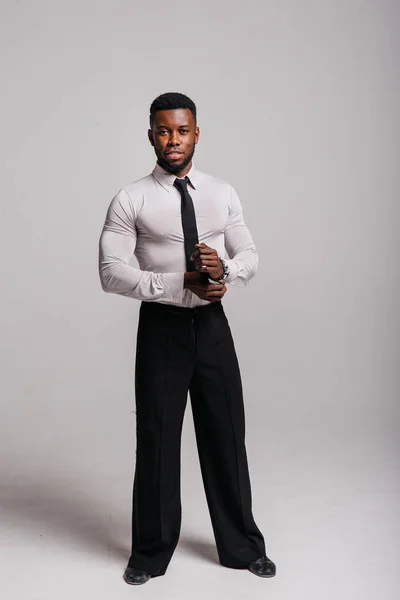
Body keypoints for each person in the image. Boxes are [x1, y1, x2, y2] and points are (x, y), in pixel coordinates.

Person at [98, 92, 276, 585]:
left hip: (213, 326)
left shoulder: (222, 192)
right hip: (162, 329)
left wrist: (226, 272)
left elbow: (249, 253)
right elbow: (111, 273)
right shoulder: (131, 198)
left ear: (196, 133)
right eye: (163, 130)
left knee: (226, 434)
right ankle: (150, 553)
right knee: (156, 440)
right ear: (150, 134)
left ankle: (242, 547)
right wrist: (178, 284)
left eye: (181, 130)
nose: (172, 140)